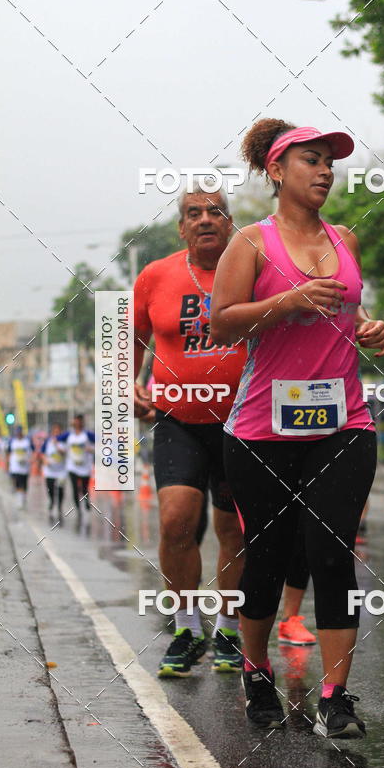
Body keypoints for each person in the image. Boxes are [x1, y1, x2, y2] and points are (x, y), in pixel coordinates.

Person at [211, 119, 384, 738]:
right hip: (262, 430)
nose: (324, 172)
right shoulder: (251, 244)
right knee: (268, 557)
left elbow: (351, 306)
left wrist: (370, 327)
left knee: (333, 554)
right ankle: (256, 670)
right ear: (277, 172)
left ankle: (336, 696)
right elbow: (223, 325)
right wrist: (282, 303)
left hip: (344, 423)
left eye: (330, 163)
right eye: (311, 161)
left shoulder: (345, 239)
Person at [133, 183, 247, 676]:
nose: (205, 219)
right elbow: (128, 338)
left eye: (215, 212)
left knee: (234, 529)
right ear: (181, 227)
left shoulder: (256, 269)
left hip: (244, 421)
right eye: (194, 213)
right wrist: (127, 387)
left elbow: (325, 294)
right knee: (176, 520)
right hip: (178, 419)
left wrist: (364, 324)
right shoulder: (156, 276)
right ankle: (184, 627)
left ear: (229, 223)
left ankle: (227, 629)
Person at [59, 415, 95, 518]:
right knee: (74, 488)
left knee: (84, 489)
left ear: (81, 423)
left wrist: (91, 449)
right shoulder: (69, 435)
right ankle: (78, 509)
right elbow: (55, 438)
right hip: (72, 466)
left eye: (78, 422)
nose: (76, 424)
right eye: (74, 422)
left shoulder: (87, 434)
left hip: (84, 466)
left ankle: (86, 503)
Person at [39, 422, 67, 520]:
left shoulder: (64, 442)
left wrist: (57, 446)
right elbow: (42, 453)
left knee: (60, 490)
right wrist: (45, 460)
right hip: (50, 471)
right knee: (50, 489)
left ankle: (59, 506)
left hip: (61, 471)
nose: (56, 433)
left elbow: (65, 453)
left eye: (58, 431)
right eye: (54, 431)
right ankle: (52, 502)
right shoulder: (47, 441)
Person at [7, 425, 34, 509]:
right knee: (17, 484)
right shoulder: (12, 441)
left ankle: (23, 497)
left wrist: (30, 460)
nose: (18, 434)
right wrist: (8, 463)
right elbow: (8, 452)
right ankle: (19, 500)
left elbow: (33, 452)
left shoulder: (27, 441)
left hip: (25, 467)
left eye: (19, 432)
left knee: (24, 484)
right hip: (15, 467)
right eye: (17, 432)